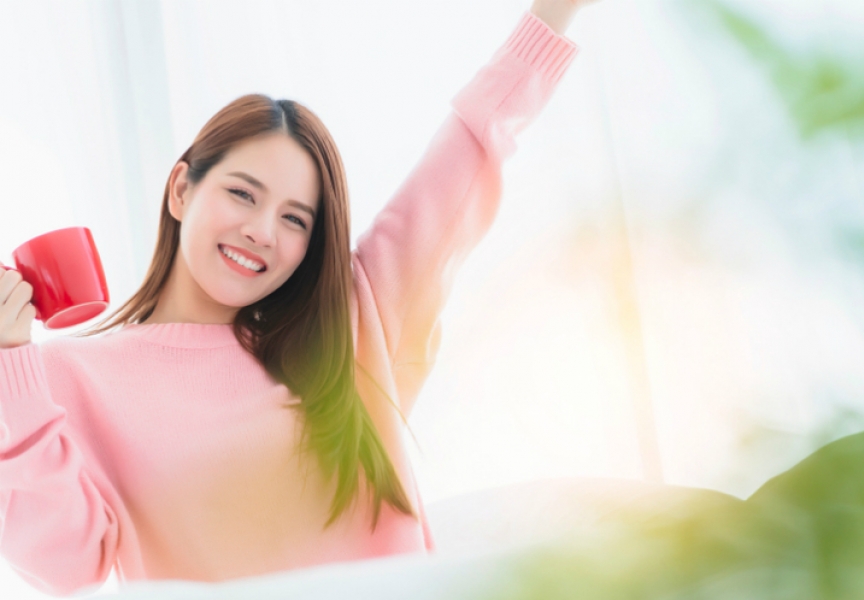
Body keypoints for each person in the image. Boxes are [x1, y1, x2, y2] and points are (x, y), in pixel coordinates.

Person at [0, 0, 598, 595]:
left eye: (295, 219)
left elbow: (471, 145)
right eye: (242, 193)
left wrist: (554, 11)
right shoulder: (64, 377)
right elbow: (66, 570)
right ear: (182, 189)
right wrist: (9, 358)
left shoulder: (353, 322)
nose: (262, 231)